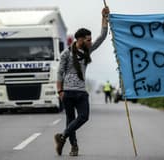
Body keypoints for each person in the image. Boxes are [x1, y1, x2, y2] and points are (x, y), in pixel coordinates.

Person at [54, 6, 110, 156]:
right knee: (70, 118)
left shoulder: (87, 51)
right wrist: (60, 91)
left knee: (84, 117)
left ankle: (63, 136)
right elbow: (60, 72)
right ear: (79, 40)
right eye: (88, 40)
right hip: (67, 92)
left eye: (90, 40)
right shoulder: (66, 53)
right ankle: (74, 147)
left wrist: (104, 17)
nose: (91, 42)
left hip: (81, 92)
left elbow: (102, 37)